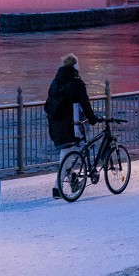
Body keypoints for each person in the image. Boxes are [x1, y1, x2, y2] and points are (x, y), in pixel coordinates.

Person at [45, 54, 99, 198]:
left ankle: (73, 180)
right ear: (75, 67)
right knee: (68, 152)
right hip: (71, 124)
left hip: (55, 122)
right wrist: (92, 118)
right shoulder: (77, 83)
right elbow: (85, 103)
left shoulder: (55, 82)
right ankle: (57, 187)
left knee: (68, 151)